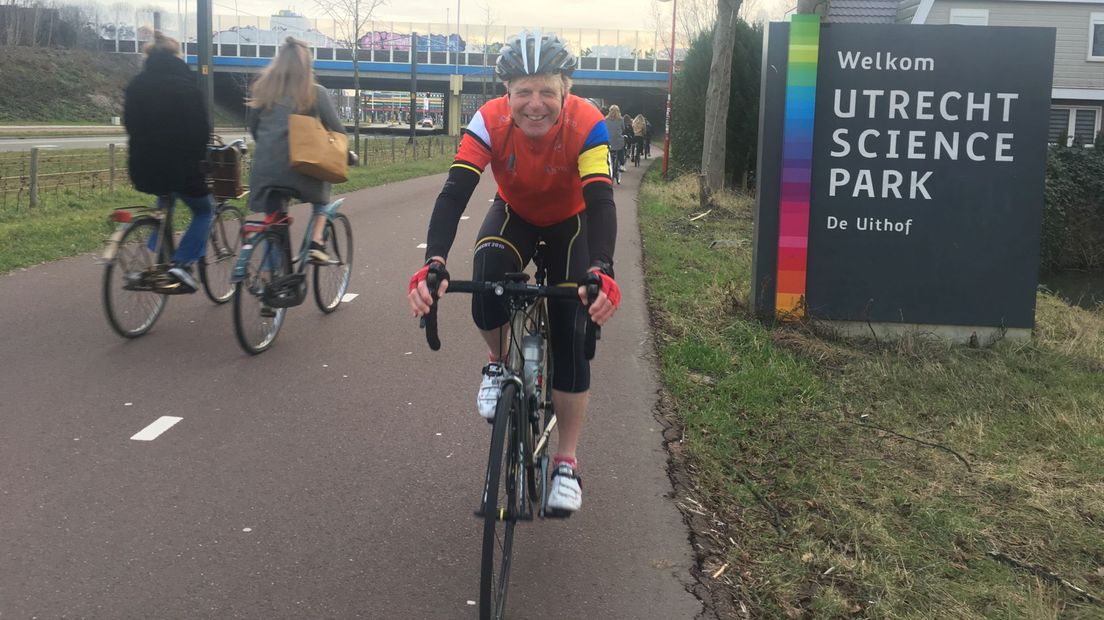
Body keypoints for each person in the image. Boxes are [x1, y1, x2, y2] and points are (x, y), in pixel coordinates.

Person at [407, 31, 621, 515]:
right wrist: (435, 261)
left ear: (566, 89)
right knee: (487, 270)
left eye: (547, 90)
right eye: (523, 91)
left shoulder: (588, 124)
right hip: (516, 214)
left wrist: (601, 270)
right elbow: (455, 191)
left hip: (572, 221)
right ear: (507, 93)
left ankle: (565, 461)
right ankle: (497, 360)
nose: (535, 103)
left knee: (569, 325)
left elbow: (602, 202)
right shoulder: (488, 121)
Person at [123, 32, 213, 293]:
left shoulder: (137, 84)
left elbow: (130, 125)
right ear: (177, 56)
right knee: (205, 211)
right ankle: (181, 265)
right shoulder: (185, 84)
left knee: (166, 200)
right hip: (180, 166)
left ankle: (156, 253)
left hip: (143, 166)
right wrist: (200, 159)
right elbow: (200, 131)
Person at [246, 37, 346, 264]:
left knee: (274, 220)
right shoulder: (314, 92)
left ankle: (271, 280)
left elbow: (254, 128)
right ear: (306, 65)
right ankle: (316, 243)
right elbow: (337, 130)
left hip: (265, 170)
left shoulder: (263, 90)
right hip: (300, 166)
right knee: (323, 192)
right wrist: (344, 153)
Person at [605, 105, 627, 183]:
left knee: (607, 152)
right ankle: (621, 164)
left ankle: (606, 165)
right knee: (621, 149)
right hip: (618, 141)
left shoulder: (606, 119)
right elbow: (623, 129)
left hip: (608, 141)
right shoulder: (620, 120)